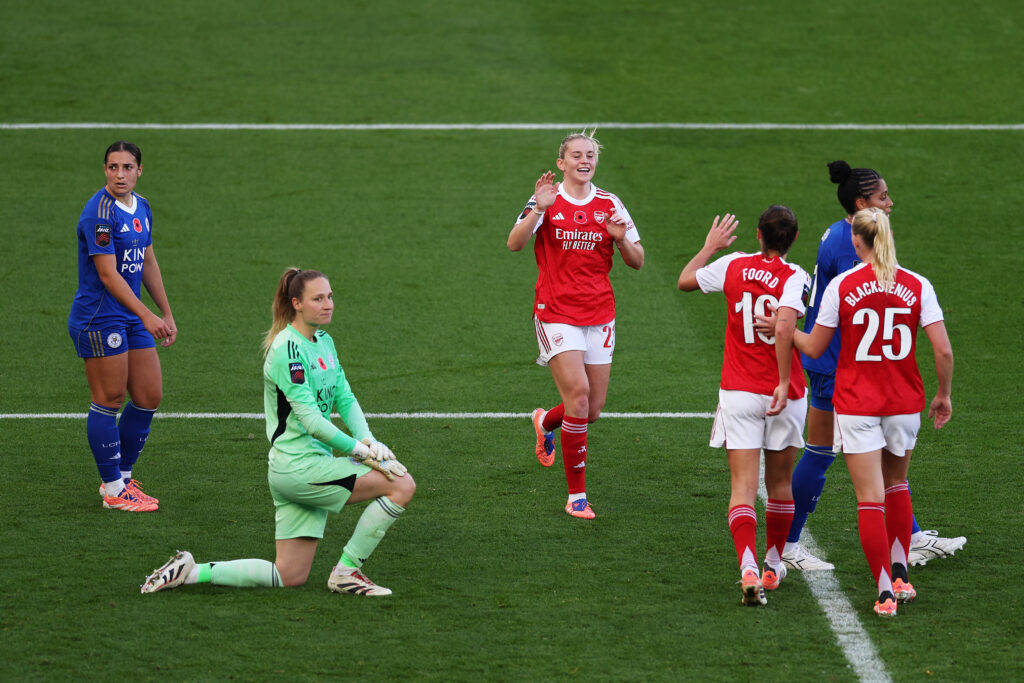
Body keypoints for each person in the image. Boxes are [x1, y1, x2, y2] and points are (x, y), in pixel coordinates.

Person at [141, 268, 415, 596]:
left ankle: (189, 572)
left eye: (330, 297)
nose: (328, 304)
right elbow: (312, 422)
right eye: (318, 298)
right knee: (401, 484)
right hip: (300, 469)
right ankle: (348, 571)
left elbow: (345, 396)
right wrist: (362, 452)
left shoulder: (323, 342)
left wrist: (368, 437)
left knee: (288, 574)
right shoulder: (288, 350)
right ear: (296, 303)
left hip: (297, 468)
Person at [764, 208, 954, 616]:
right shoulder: (918, 284)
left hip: (856, 404)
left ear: (856, 241)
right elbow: (943, 349)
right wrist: (944, 395)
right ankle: (902, 571)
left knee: (869, 497)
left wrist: (783, 329)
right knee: (897, 484)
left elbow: (814, 347)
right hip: (904, 404)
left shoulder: (843, 286)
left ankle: (885, 590)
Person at [782, 160, 965, 570]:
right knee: (821, 453)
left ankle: (911, 536)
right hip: (838, 367)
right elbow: (858, 309)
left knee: (876, 460)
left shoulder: (839, 230)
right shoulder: (853, 246)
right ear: (863, 202)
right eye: (883, 197)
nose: (891, 203)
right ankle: (788, 546)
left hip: (836, 362)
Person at [507, 131, 644, 519]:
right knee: (579, 397)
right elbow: (514, 243)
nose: (585, 160)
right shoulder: (548, 199)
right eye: (577, 155)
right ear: (562, 163)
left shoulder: (610, 203)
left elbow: (638, 260)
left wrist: (621, 240)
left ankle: (544, 422)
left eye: (590, 155)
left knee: (591, 409)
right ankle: (576, 496)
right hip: (555, 312)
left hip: (599, 314)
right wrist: (537, 207)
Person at [678, 207, 810, 606]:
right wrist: (784, 382)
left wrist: (708, 248)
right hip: (784, 395)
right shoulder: (796, 276)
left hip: (738, 392)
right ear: (793, 239)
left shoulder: (733, 265)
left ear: (757, 235)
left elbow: (685, 281)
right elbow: (786, 327)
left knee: (742, 487)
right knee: (781, 485)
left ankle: (747, 565)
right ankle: (772, 563)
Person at [68, 141, 176, 512]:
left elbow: (147, 260)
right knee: (109, 399)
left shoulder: (141, 206)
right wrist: (148, 315)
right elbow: (108, 275)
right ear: (104, 170)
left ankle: (124, 478)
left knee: (149, 395)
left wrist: (166, 311)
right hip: (100, 317)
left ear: (139, 171)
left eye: (127, 167)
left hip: (131, 314)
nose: (120, 174)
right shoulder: (97, 213)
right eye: (113, 167)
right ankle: (114, 489)